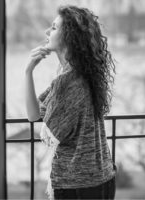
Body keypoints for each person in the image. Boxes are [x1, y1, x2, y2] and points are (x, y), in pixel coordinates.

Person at [25, 5, 117, 200]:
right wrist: (28, 72)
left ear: (69, 36)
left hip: (79, 186)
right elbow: (34, 115)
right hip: (101, 178)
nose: (47, 32)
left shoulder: (68, 80)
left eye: (54, 27)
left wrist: (28, 71)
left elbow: (51, 131)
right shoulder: (81, 74)